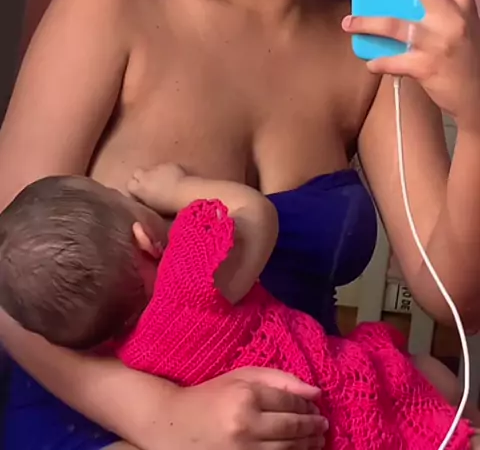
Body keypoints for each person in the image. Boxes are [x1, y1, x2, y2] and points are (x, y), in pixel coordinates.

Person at [0, 0, 479, 450]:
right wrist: (166, 420)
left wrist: (475, 113)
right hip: (95, 420)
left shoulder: (375, 36)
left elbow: (451, 295)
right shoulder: (111, 0)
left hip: (299, 423)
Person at [0, 167, 477, 449]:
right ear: (144, 238)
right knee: (429, 378)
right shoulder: (193, 276)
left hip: (288, 431)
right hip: (338, 387)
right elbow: (255, 213)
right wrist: (175, 187)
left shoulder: (129, 357)